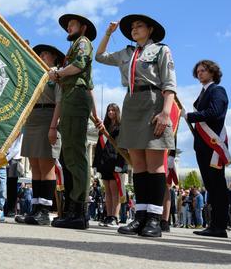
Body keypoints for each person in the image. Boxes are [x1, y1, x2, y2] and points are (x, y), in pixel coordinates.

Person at [96, 14, 177, 237]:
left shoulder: (161, 50)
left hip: (153, 102)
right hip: (131, 102)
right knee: (138, 164)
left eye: (139, 26)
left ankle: (154, 218)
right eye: (132, 27)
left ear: (150, 29)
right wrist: (108, 33)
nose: (134, 29)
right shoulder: (127, 52)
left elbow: (169, 83)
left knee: (154, 164)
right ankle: (140, 216)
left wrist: (165, 113)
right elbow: (100, 56)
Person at [49, 14, 103, 230]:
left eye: (72, 24)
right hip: (73, 96)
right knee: (70, 154)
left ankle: (78, 210)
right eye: (68, 25)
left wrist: (58, 73)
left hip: (75, 96)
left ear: (83, 27)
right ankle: (74, 209)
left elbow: (80, 66)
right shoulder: (75, 46)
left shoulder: (82, 43)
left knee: (75, 155)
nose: (68, 28)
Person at [16, 44, 65, 225]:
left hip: (48, 116)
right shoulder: (35, 75)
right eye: (40, 54)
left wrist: (53, 127)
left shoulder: (57, 75)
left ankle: (44, 210)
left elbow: (60, 102)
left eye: (45, 54)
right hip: (32, 119)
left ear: (54, 57)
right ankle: (35, 209)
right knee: (35, 165)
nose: (42, 56)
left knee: (46, 166)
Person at [186, 60, 230, 238]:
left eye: (203, 70)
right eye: (197, 71)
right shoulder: (203, 92)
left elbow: (215, 112)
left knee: (217, 185)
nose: (200, 74)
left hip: (213, 144)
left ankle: (220, 225)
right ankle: (213, 224)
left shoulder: (217, 90)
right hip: (202, 144)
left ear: (212, 73)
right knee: (210, 185)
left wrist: (190, 116)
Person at [92, 103, 126, 227]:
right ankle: (108, 216)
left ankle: (114, 217)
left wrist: (121, 164)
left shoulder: (121, 127)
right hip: (105, 162)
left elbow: (123, 147)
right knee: (107, 191)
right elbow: (99, 147)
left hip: (116, 162)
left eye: (113, 110)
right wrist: (95, 164)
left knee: (114, 190)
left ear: (117, 112)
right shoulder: (104, 127)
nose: (110, 112)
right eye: (108, 110)